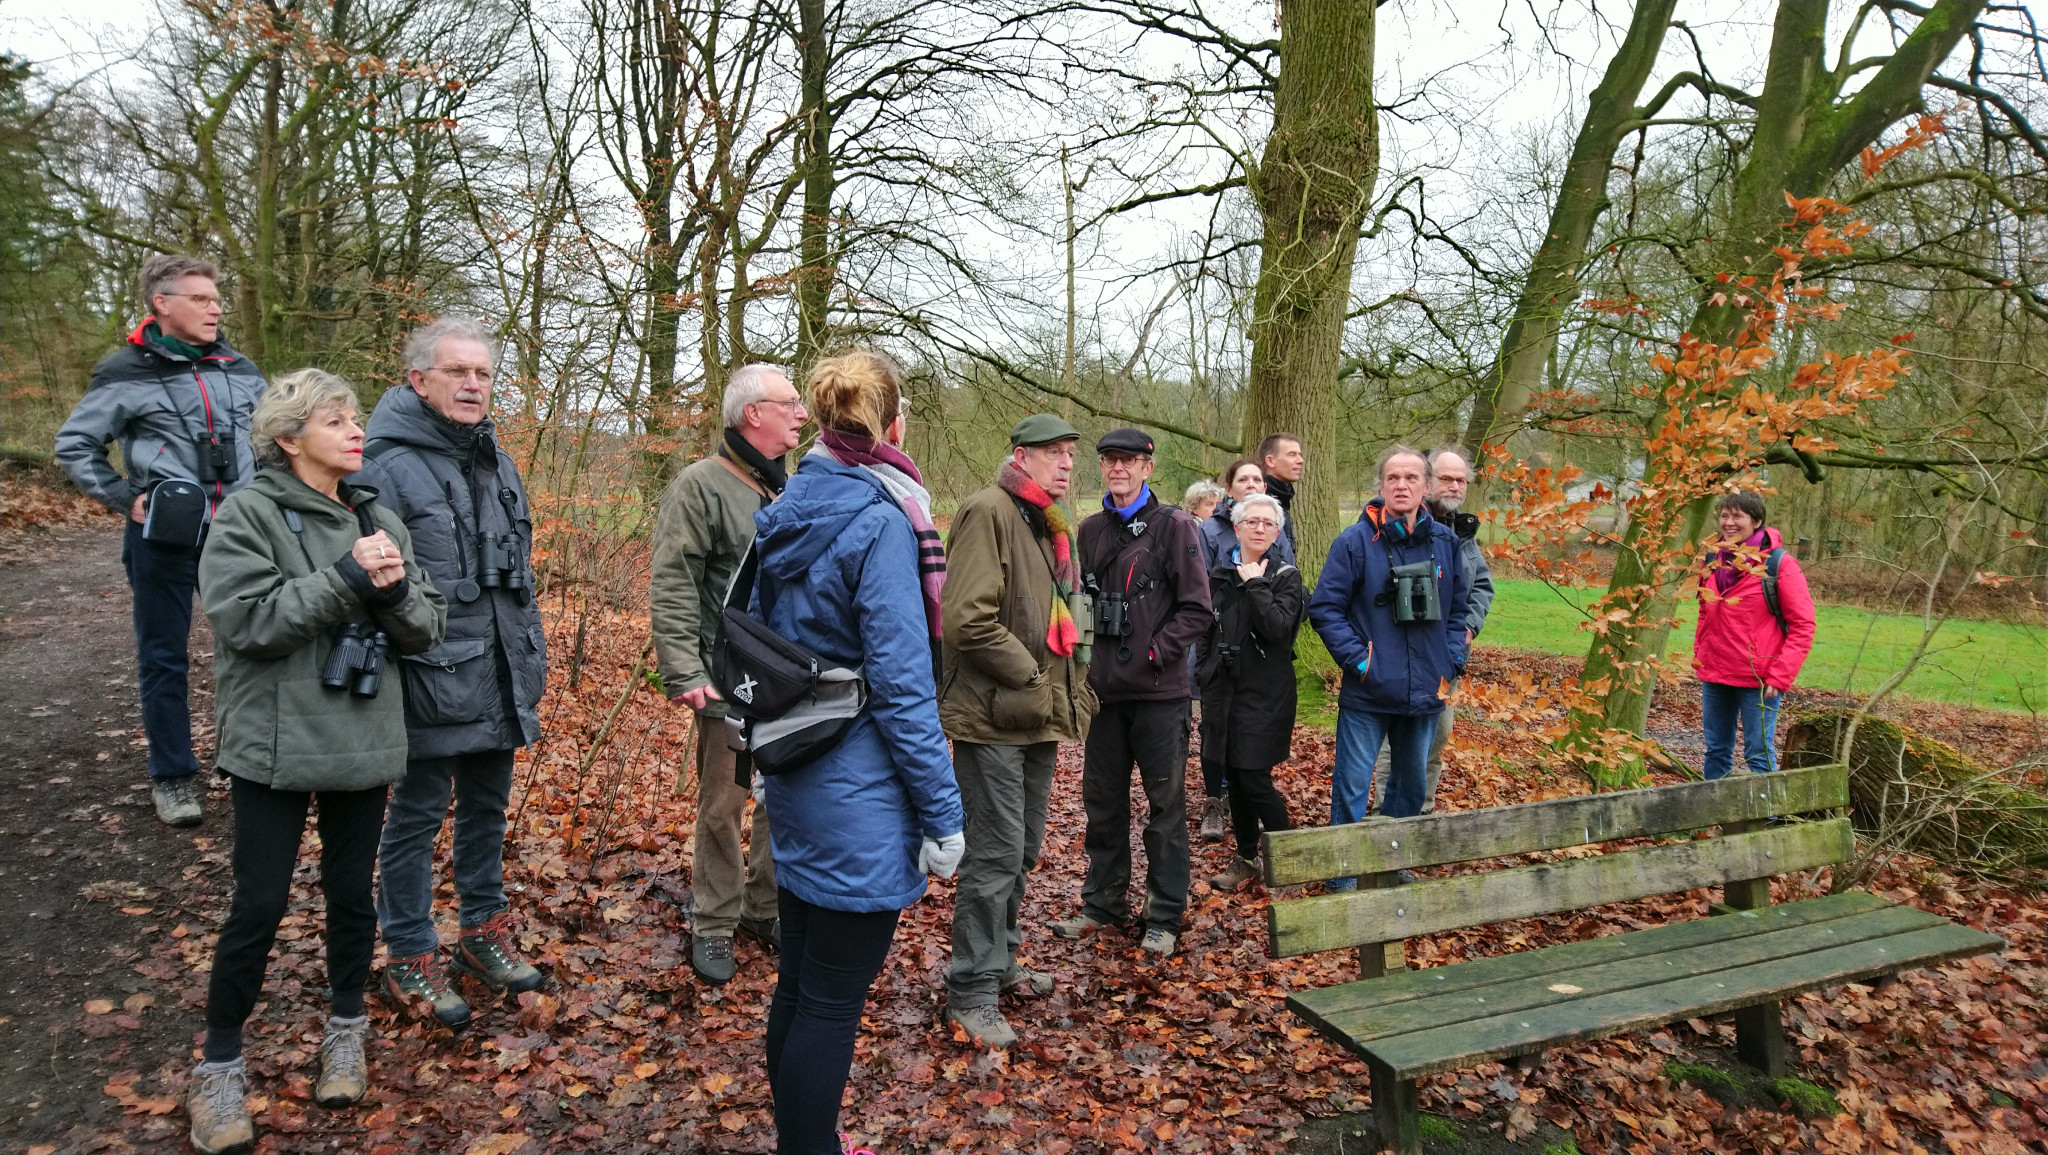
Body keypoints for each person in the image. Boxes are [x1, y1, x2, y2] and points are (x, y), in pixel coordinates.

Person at [184, 369, 447, 1155]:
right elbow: (249, 622)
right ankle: (220, 1065)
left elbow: (427, 626)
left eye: (355, 416)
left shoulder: (377, 514)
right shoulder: (248, 516)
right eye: (335, 420)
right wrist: (346, 579)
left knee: (349, 896)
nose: (354, 429)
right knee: (258, 904)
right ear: (289, 438)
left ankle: (345, 1031)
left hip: (364, 737)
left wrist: (396, 593)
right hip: (273, 742)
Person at [749, 350, 965, 1153]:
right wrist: (944, 815)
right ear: (893, 427)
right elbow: (905, 689)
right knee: (832, 1001)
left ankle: (806, 1142)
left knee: (800, 986)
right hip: (859, 793)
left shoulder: (787, 501)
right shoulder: (882, 519)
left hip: (798, 770)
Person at [349, 318, 549, 1027]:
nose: (472, 384)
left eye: (483, 374)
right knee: (416, 817)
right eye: (457, 372)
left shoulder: (496, 456)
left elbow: (517, 568)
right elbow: (374, 586)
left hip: (496, 668)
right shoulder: (381, 464)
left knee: (488, 811)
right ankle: (407, 950)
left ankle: (481, 932)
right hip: (427, 674)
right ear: (418, 380)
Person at [55, 254, 267, 828]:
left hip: (241, 534)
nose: (215, 307)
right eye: (199, 299)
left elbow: (272, 440)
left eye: (216, 298)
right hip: (165, 536)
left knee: (252, 646)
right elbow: (75, 446)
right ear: (162, 304)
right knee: (165, 657)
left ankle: (244, 760)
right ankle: (172, 777)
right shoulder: (123, 371)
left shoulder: (241, 367)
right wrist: (128, 498)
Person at [938, 413, 1095, 1048]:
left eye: (1069, 455)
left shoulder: (1048, 524)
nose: (1065, 465)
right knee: (996, 852)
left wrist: (1056, 689)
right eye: (1053, 454)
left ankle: (1000, 962)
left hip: (1035, 716)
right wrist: (1032, 674)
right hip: (994, 714)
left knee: (1023, 848)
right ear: (1020, 456)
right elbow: (965, 619)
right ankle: (970, 989)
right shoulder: (988, 511)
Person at [650, 363, 806, 985]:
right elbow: (672, 582)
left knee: (781, 802)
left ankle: (762, 910)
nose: (801, 413)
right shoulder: (701, 486)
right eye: (788, 403)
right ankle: (713, 923)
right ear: (752, 415)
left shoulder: (787, 490)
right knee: (724, 805)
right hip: (725, 682)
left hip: (787, 682)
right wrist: (684, 668)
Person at [1052, 428, 1211, 956]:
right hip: (1103, 693)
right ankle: (1102, 904)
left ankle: (1163, 913)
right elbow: (1080, 601)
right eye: (1108, 460)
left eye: (1128, 460)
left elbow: (1197, 609)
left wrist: (1154, 651)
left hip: (1160, 694)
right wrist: (1080, 657)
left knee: (1164, 807)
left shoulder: (1175, 527)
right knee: (1102, 803)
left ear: (1148, 466)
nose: (1117, 468)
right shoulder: (1091, 530)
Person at [1309, 445, 1467, 857]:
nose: (1401, 485)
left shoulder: (1446, 543)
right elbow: (1325, 609)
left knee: (1410, 787)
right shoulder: (1355, 542)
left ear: (1426, 486)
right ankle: (1341, 875)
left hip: (1427, 689)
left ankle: (1388, 867)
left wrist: (1451, 662)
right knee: (1352, 787)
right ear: (1381, 485)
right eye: (1393, 478)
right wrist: (1361, 662)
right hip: (1370, 691)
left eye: (1411, 478)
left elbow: (1458, 612)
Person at [1369, 446, 1495, 814]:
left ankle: (1420, 817)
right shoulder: (1394, 525)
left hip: (1447, 662)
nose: (1455, 486)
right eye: (1446, 478)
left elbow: (1481, 586)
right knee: (1397, 746)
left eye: (1461, 480)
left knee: (1435, 743)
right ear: (1427, 482)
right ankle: (1386, 821)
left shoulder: (1463, 532)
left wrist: (1468, 628)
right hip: (1399, 658)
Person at [1198, 494, 1304, 891]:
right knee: (1235, 777)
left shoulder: (1285, 577)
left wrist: (1256, 583)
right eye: (1251, 522)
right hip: (1224, 690)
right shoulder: (1219, 576)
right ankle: (1245, 858)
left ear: (1277, 532)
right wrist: (1206, 672)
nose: (1259, 528)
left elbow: (1277, 629)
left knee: (1253, 776)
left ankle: (1290, 859)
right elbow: (1205, 629)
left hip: (1267, 693)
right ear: (1237, 528)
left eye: (1267, 524)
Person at [1694, 491, 1816, 778]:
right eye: (1725, 515)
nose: (1729, 522)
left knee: (1758, 753)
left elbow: (1803, 624)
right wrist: (1701, 654)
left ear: (1757, 521)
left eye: (1738, 516)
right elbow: (1705, 610)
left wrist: (1781, 675)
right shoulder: (1712, 558)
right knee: (1716, 750)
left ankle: (1769, 822)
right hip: (1715, 671)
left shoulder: (1778, 564)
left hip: (1760, 678)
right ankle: (1717, 818)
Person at [1198, 456, 1296, 570]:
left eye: (1257, 480)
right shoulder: (1208, 530)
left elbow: (1289, 577)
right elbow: (1199, 581)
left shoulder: (1274, 527)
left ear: (1264, 488)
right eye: (1242, 480)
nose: (1251, 485)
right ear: (1229, 489)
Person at [1257, 433, 1306, 558]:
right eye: (1292, 455)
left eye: (1300, 455)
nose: (1300, 461)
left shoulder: (1281, 498)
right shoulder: (1259, 505)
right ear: (1270, 461)